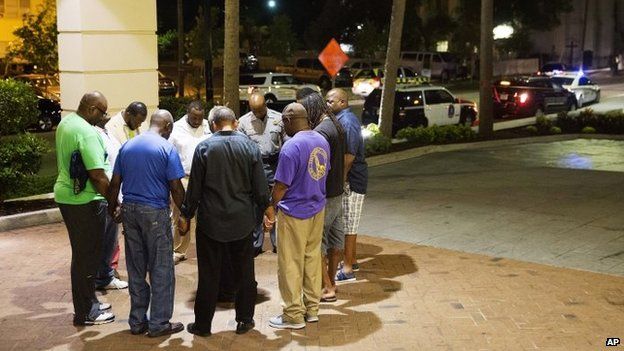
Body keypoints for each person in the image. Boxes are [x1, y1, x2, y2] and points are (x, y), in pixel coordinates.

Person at [179, 106, 269, 336]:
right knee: (245, 272)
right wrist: (267, 210)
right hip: (242, 220)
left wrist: (185, 215)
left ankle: (203, 325)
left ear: (213, 124)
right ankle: (245, 319)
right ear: (234, 122)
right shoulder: (250, 147)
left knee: (209, 274)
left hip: (211, 221)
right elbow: (260, 187)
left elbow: (195, 189)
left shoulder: (205, 148)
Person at [109, 110, 186, 338]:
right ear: (168, 127)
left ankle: (137, 321)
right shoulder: (166, 148)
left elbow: (115, 183)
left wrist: (112, 206)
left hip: (130, 211)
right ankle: (159, 323)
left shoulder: (128, 146)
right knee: (161, 268)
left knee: (136, 267)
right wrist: (184, 214)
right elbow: (176, 187)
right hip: (154, 211)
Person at [264, 103, 330, 329]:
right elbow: (323, 173)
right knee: (311, 259)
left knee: (290, 263)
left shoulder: (291, 147)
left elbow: (281, 185)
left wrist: (271, 205)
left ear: (288, 121)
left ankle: (293, 315)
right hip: (317, 208)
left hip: (294, 212)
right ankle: (312, 309)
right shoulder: (322, 141)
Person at [54, 91, 116, 326]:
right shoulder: (87, 132)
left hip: (69, 195)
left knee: (84, 256)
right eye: (102, 112)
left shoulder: (67, 122)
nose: (104, 117)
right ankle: (85, 313)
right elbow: (98, 176)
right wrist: (114, 204)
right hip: (83, 201)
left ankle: (90, 301)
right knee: (86, 258)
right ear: (92, 109)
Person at [300, 91, 345, 302]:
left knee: (317, 243)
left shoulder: (321, 132)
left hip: (325, 194)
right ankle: (333, 282)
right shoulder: (336, 123)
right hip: (338, 191)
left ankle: (326, 286)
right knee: (336, 241)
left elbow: (318, 167)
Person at [326, 88, 368, 283]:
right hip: (351, 179)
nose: (327, 105)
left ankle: (348, 269)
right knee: (348, 222)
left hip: (352, 180)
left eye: (330, 101)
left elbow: (349, 157)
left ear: (342, 102)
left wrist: (340, 181)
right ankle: (352, 259)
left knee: (349, 224)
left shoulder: (347, 122)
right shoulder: (343, 120)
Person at [238, 93, 284, 255]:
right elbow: (242, 148)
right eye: (254, 110)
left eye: (260, 110)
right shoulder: (243, 122)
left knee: (277, 202)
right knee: (257, 206)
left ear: (265, 105)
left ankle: (278, 243)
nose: (257, 113)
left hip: (275, 163)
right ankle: (256, 244)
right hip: (255, 165)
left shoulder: (278, 118)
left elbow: (285, 142)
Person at [169, 101, 212, 264]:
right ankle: (178, 250)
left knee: (206, 214)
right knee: (181, 215)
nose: (197, 121)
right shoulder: (176, 128)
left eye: (200, 118)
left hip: (206, 178)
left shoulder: (209, 126)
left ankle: (206, 248)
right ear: (187, 113)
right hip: (184, 178)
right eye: (194, 118)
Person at [93, 111, 129, 291]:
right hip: (106, 194)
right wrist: (112, 199)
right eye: (102, 111)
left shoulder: (107, 132)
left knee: (111, 239)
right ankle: (103, 277)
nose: (106, 113)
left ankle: (105, 274)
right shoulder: (95, 134)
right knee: (105, 239)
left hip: (115, 193)